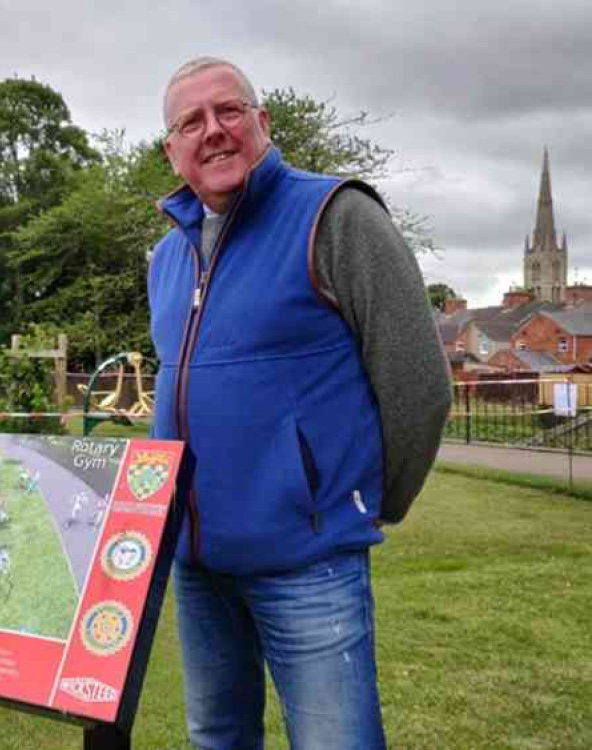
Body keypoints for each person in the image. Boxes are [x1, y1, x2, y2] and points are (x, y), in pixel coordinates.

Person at [148, 57, 451, 750]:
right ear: (171, 149)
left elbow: (418, 385)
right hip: (197, 567)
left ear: (263, 122)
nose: (213, 131)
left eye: (229, 111)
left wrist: (364, 502)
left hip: (307, 562)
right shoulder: (166, 257)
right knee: (216, 737)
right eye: (190, 121)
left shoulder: (335, 215)